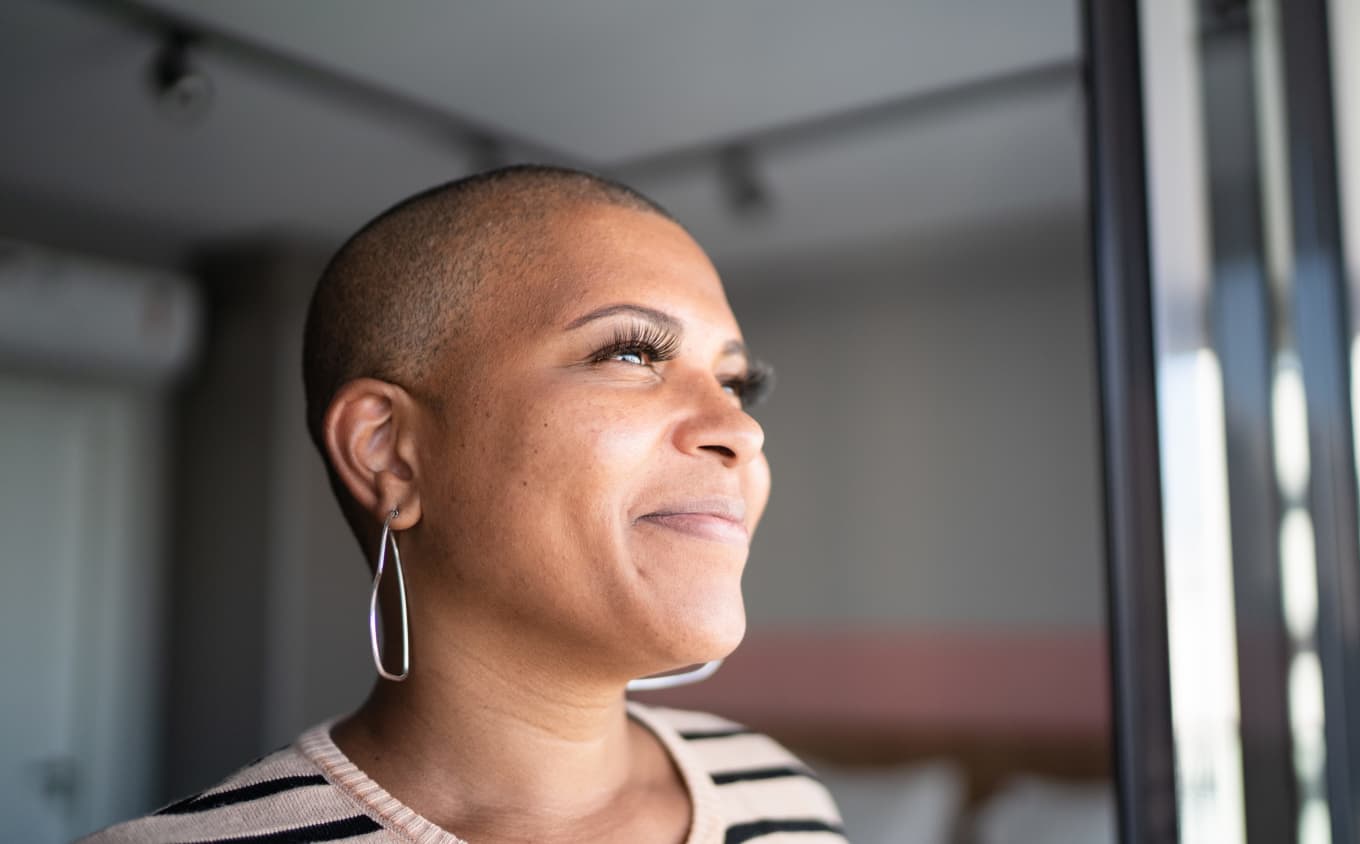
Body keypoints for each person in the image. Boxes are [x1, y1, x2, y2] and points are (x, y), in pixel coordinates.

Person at [82, 165, 847, 843]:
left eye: (736, 384)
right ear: (389, 452)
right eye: (630, 354)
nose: (740, 429)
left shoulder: (782, 795)